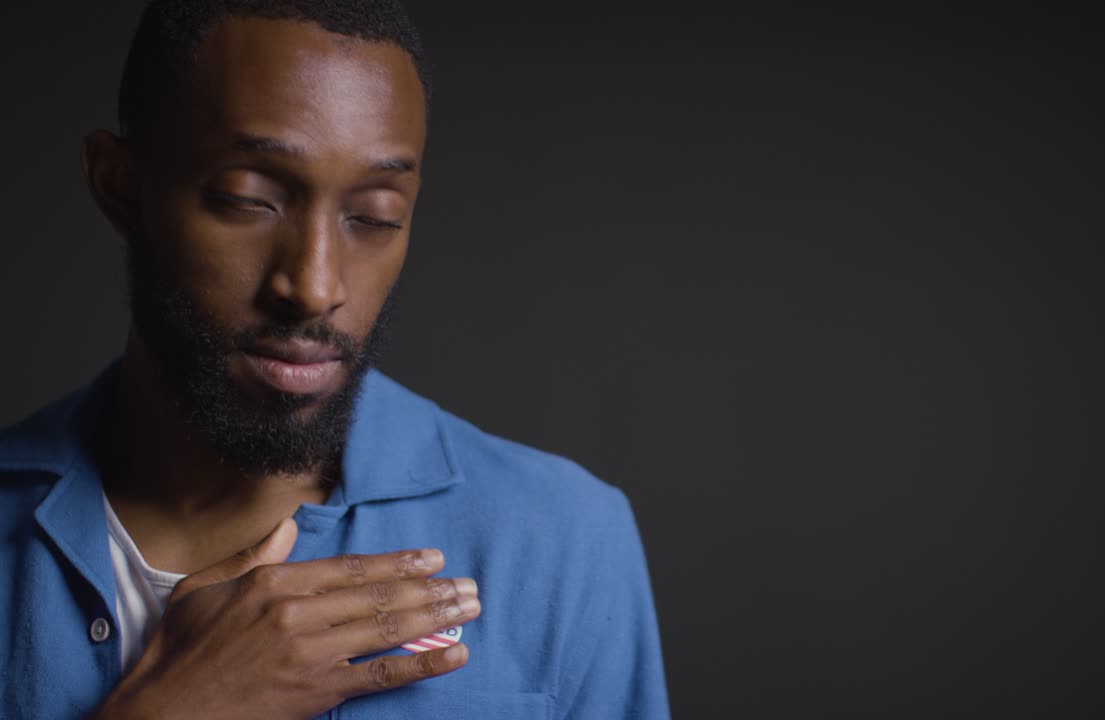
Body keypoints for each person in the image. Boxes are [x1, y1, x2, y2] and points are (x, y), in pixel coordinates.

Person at [0, 1, 669, 718]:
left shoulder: (564, 540)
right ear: (119, 188)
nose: (315, 286)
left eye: (375, 216)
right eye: (247, 199)